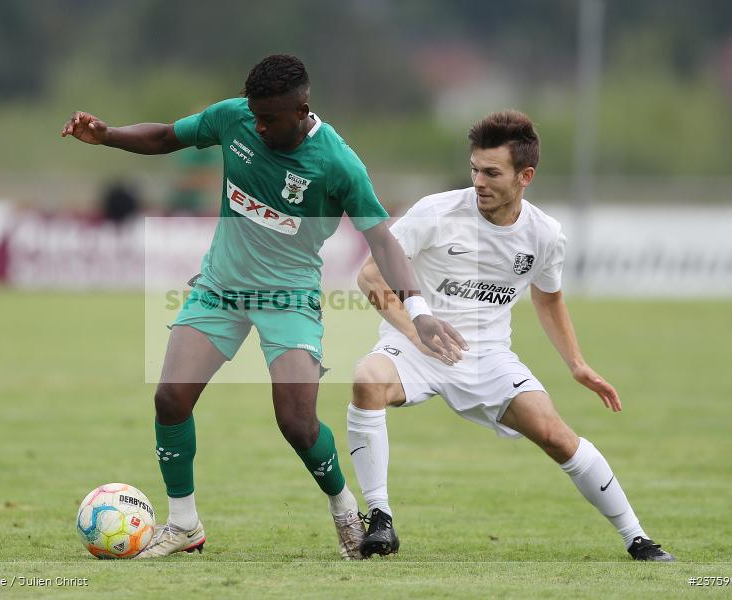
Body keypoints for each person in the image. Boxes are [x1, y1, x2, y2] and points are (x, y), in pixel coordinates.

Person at [62, 54, 462, 560]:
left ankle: (344, 508)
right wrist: (108, 135)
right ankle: (183, 524)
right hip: (220, 287)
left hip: (288, 297)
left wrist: (419, 311)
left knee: (296, 423)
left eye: (269, 118)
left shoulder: (338, 164)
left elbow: (382, 241)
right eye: (254, 115)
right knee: (170, 397)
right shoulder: (234, 118)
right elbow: (165, 137)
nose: (258, 126)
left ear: (301, 111)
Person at [347, 110, 675, 562]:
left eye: (492, 173)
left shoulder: (544, 235)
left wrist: (577, 364)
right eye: (475, 170)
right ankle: (380, 518)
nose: (479, 182)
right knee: (367, 379)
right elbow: (369, 275)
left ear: (525, 176)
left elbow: (549, 299)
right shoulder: (436, 212)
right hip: (413, 344)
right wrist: (417, 333)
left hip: (487, 356)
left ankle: (637, 538)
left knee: (557, 436)